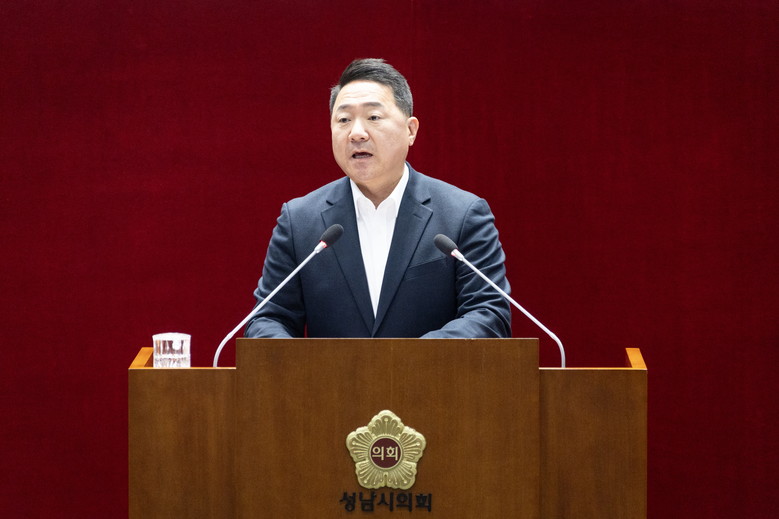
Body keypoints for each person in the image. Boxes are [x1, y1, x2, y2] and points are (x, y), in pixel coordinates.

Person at [245, 58, 511, 339]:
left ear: (410, 130)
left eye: (373, 117)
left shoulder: (462, 215)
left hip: (431, 369)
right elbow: (267, 318)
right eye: (344, 120)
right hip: (330, 371)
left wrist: (410, 358)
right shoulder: (299, 221)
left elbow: (489, 313)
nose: (357, 133)